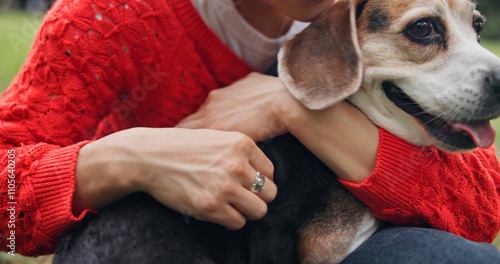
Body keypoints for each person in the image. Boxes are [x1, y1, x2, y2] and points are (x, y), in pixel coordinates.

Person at [0, 0, 498, 261]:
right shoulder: (109, 16)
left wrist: (294, 107)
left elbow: (482, 208)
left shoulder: (361, 19)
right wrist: (130, 157)